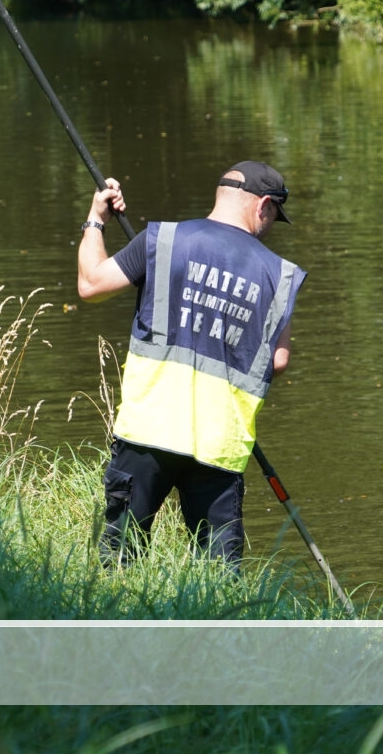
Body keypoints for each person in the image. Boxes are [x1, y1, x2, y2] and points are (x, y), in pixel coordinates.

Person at [77, 160, 306, 567]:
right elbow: (279, 360)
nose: (271, 224)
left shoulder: (161, 241)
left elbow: (91, 284)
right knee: (217, 578)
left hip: (148, 432)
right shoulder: (279, 276)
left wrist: (96, 220)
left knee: (117, 563)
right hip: (220, 443)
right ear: (263, 205)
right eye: (274, 216)